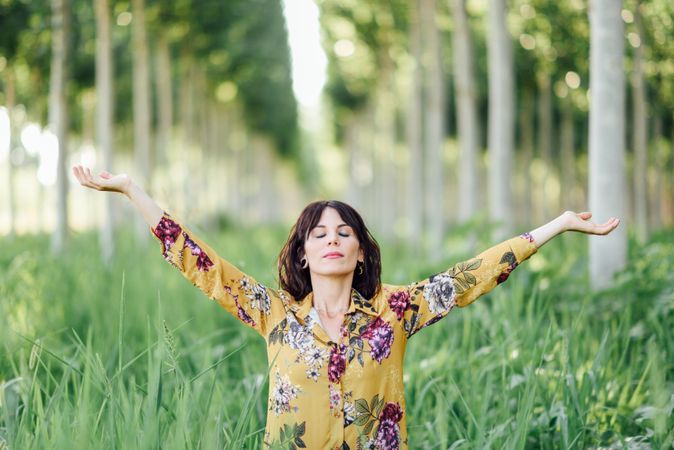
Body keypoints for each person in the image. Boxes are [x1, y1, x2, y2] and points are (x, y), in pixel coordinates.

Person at [72, 165, 620, 449]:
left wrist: (558, 225)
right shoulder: (275, 315)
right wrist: (130, 190)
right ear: (303, 253)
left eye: (344, 232)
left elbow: (471, 277)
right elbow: (200, 263)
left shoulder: (395, 312)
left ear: (359, 252)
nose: (332, 239)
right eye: (319, 233)